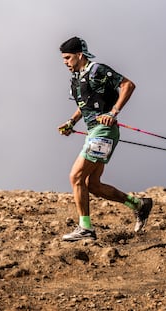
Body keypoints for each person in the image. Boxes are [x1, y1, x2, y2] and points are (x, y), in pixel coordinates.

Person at [58, 36, 153, 242]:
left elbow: (128, 85)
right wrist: (71, 122)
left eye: (67, 58)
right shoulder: (76, 77)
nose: (65, 62)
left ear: (79, 55)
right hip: (94, 131)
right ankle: (138, 204)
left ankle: (85, 229)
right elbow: (84, 105)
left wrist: (113, 112)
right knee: (93, 185)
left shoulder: (96, 69)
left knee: (75, 177)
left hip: (104, 131)